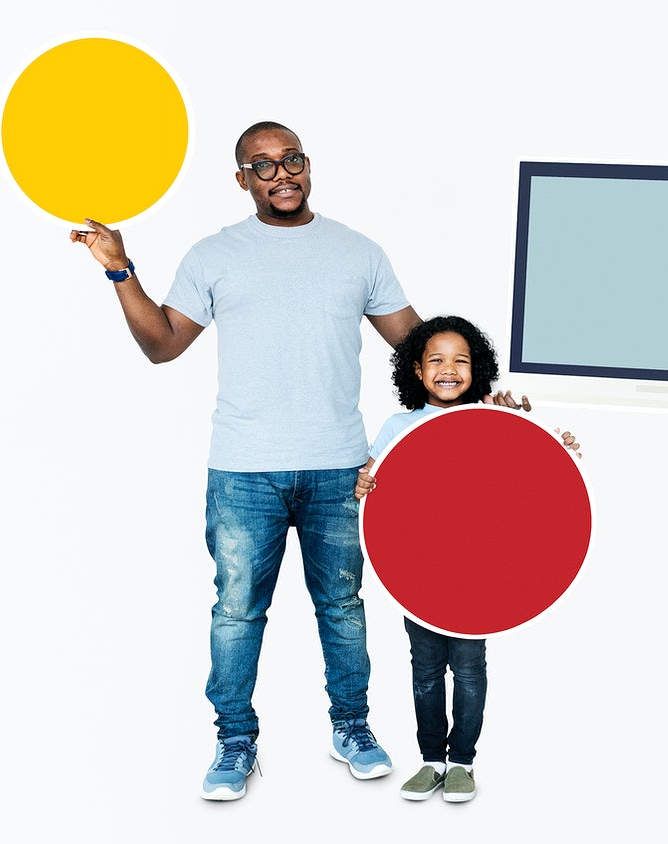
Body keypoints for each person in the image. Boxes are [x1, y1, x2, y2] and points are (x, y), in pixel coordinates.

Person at [69, 120, 526, 802]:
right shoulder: (214, 255)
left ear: (308, 166)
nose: (282, 173)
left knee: (342, 606)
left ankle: (353, 727)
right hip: (243, 469)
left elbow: (424, 350)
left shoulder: (358, 253)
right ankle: (234, 740)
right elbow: (162, 345)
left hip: (341, 467)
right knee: (235, 611)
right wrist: (118, 266)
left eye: (293, 159)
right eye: (263, 165)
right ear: (241, 179)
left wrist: (493, 407)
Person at [354, 315, 580, 803]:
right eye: (436, 360)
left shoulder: (493, 419)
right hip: (418, 570)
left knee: (470, 666)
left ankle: (462, 763)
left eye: (461, 360)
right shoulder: (400, 426)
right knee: (426, 668)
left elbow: (529, 486)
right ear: (416, 370)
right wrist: (364, 484)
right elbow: (374, 493)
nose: (449, 370)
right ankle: (431, 759)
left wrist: (555, 449)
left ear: (477, 369)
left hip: (478, 572)